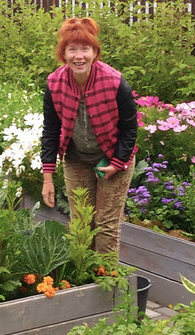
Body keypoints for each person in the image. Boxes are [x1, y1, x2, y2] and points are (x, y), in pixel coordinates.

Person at [40, 17, 138, 255]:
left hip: (114, 159)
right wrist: (48, 178)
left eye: (85, 49)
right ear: (63, 53)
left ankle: (106, 283)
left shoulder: (114, 82)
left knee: (105, 226)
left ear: (95, 52)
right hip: (77, 159)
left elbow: (130, 128)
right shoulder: (55, 84)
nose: (79, 56)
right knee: (81, 224)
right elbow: (51, 131)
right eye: (72, 49)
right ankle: (83, 283)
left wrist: (117, 163)